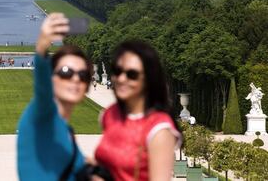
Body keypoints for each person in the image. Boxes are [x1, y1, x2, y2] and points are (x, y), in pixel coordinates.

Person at [17, 13, 92, 180]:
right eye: (66, 72)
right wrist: (42, 46)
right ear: (51, 77)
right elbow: (43, 90)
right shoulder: (43, 116)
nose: (75, 79)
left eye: (83, 74)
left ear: (87, 85)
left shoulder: (67, 133)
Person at [94, 41, 182, 181]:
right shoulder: (110, 114)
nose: (122, 79)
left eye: (132, 74)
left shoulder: (159, 130)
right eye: (117, 71)